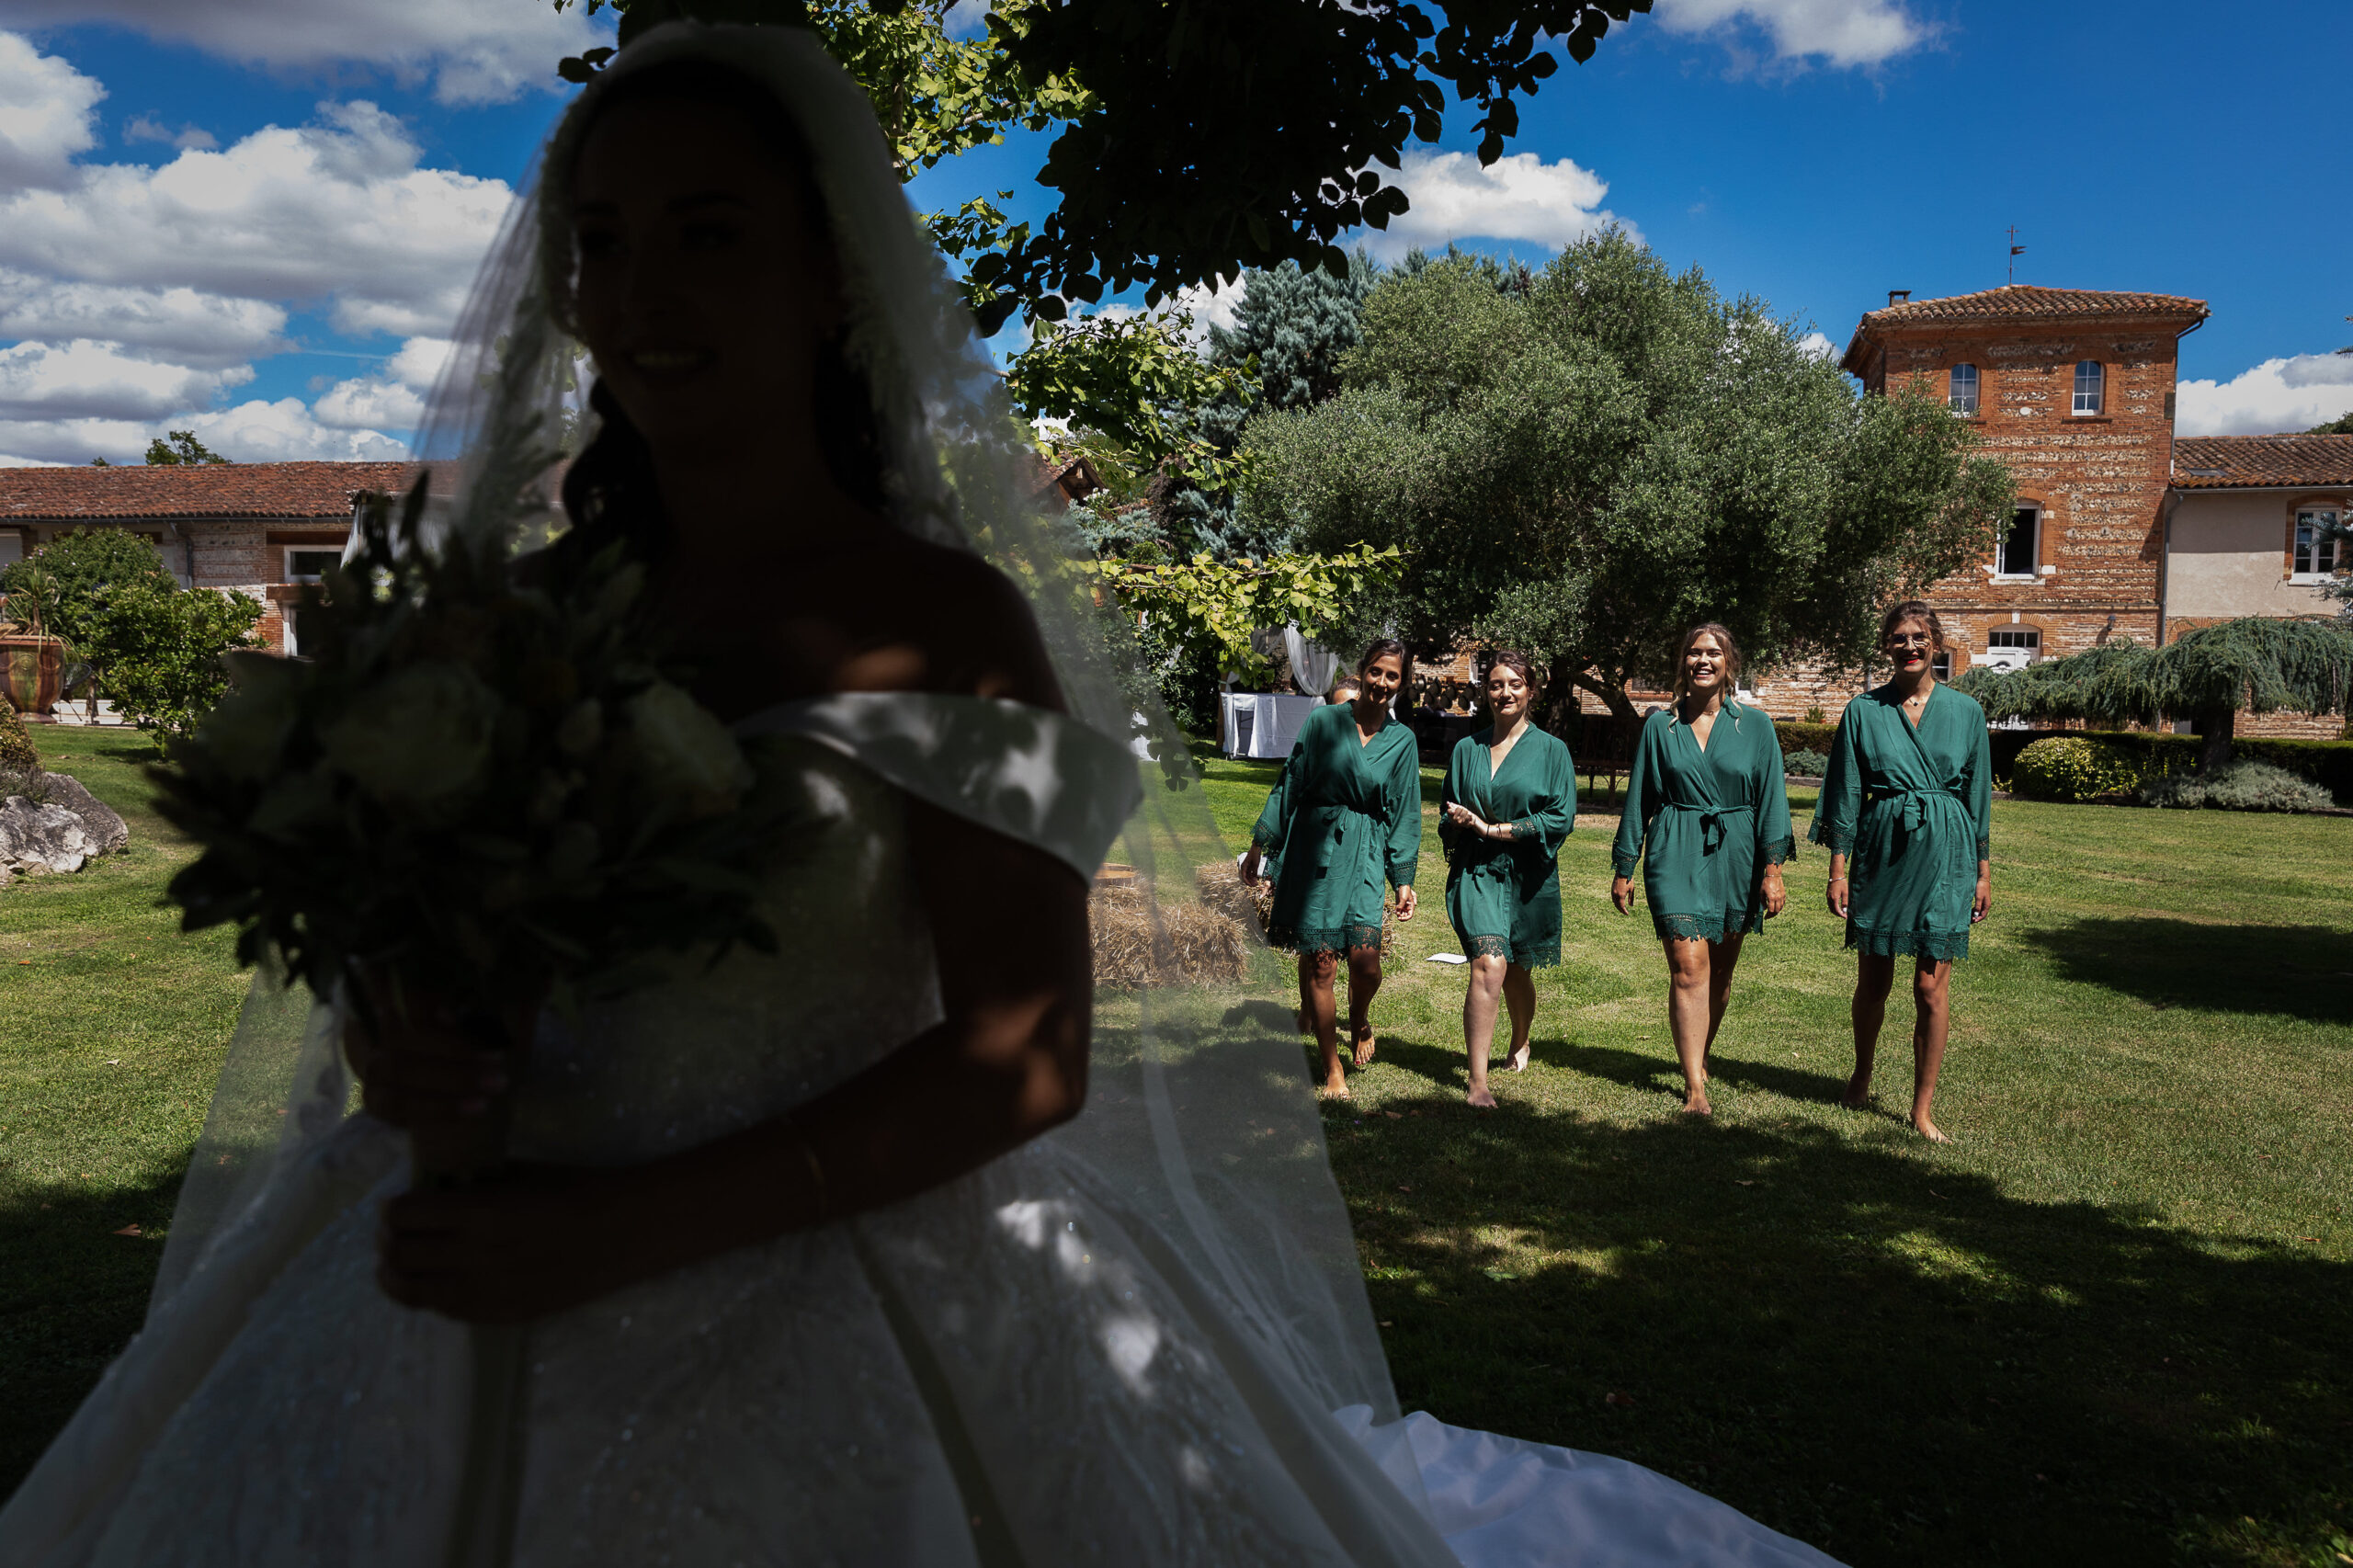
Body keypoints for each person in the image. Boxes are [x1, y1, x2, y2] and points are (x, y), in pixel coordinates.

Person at [2, 28, 1847, 1568]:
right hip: (455, 1260)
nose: (639, 297)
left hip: (841, 1284)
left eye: (706, 235)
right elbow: (464, 939)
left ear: (823, 278)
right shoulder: (526, 620)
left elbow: (1027, 1055)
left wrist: (628, 1228)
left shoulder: (939, 618)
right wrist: (411, 1046)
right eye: (604, 242)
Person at [1810, 600, 1993, 1143]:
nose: (1909, 647)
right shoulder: (1863, 711)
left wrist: (1983, 873)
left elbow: (1978, 798)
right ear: (1886, 646)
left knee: (1931, 988)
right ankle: (1862, 1075)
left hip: (1947, 853)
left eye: (1919, 637)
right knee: (1874, 980)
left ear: (1935, 643)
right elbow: (1844, 795)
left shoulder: (1966, 713)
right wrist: (1837, 868)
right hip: (1883, 849)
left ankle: (1921, 1107)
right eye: (1898, 638)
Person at [1609, 625, 1791, 1116]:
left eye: (1713, 653)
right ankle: (1695, 1086)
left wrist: (1772, 869)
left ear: (1729, 662)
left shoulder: (1755, 726)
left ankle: (1700, 1055)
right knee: (1689, 967)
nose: (1703, 661)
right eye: (1694, 653)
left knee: (1722, 972)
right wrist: (1625, 863)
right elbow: (1639, 797)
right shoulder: (1659, 726)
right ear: (1682, 663)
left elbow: (1773, 798)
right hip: (1675, 846)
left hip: (1737, 853)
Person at [1242, 642, 1420, 1098]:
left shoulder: (1402, 741)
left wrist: (1402, 880)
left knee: (1366, 966)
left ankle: (1358, 1019)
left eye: (1392, 676)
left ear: (1402, 682)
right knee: (1322, 965)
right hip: (1316, 849)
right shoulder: (1324, 722)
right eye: (1376, 672)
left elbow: (1405, 812)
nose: (1382, 683)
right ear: (1361, 672)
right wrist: (1260, 845)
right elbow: (1292, 783)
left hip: (1364, 853)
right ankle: (1331, 1066)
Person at [1438, 652, 1575, 1108]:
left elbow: (1559, 818)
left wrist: (1494, 828)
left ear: (1531, 691)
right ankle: (1478, 1081)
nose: (1505, 693)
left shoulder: (1553, 751)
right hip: (1477, 872)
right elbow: (1448, 810)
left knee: (1516, 969)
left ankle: (1520, 1037)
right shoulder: (1466, 749)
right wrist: (1458, 821)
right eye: (1496, 685)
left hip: (1528, 875)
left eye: (1515, 683)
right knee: (1489, 963)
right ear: (1486, 692)